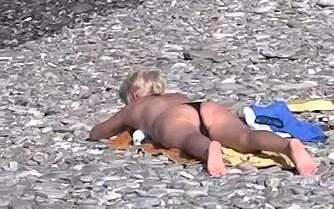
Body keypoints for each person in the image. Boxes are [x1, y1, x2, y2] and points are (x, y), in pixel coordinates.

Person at [88, 69, 318, 178]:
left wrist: (97, 131)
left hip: (173, 118)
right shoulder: (176, 95)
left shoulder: (135, 106)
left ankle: (210, 149)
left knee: (188, 138)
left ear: (134, 94)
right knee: (243, 137)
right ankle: (288, 146)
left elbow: (100, 131)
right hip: (203, 106)